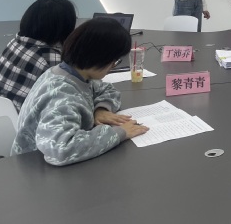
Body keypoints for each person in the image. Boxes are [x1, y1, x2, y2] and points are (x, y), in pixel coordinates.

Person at [12, 17, 149, 166]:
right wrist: (119, 132)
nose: (113, 67)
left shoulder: (72, 74)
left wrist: (100, 109)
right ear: (99, 58)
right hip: (33, 168)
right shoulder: (62, 95)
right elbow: (60, 149)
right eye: (114, 61)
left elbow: (108, 90)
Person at [0, 0, 77, 112]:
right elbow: (69, 97)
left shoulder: (15, 42)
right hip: (20, 118)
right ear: (64, 27)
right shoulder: (50, 58)